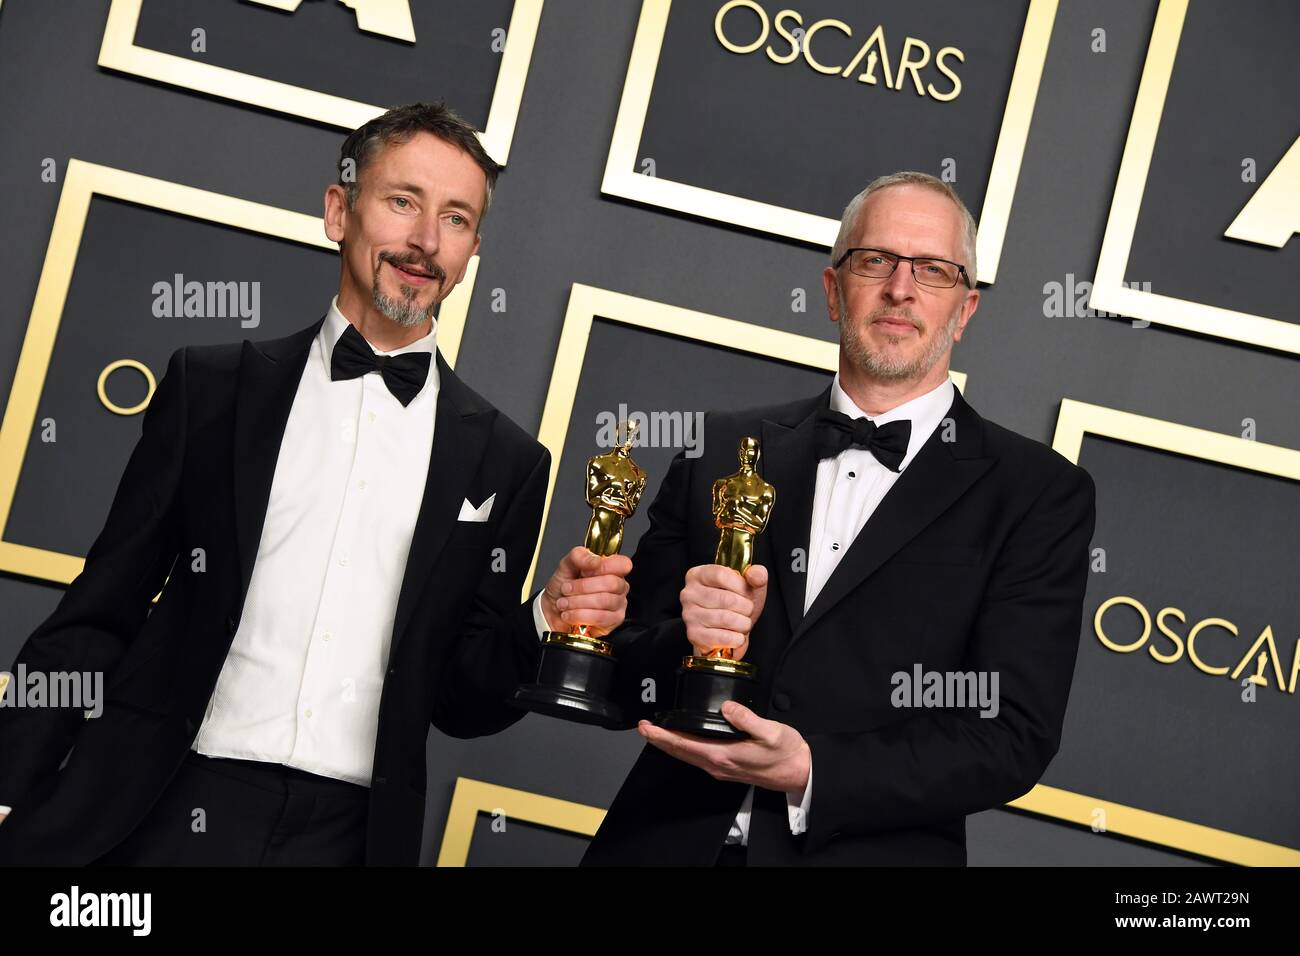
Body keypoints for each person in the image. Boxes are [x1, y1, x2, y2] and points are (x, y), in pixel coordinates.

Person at [0, 102, 630, 866]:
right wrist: (13, 781)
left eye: (456, 219)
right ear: (339, 210)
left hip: (350, 839)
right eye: (403, 202)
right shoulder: (214, 390)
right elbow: (100, 610)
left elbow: (460, 701)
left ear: (471, 251)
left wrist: (543, 620)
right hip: (161, 802)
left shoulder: (506, 461)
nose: (426, 242)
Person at [583, 172, 1096, 866]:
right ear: (832, 291)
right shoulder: (719, 453)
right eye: (875, 260)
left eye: (933, 270)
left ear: (965, 309)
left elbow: (1011, 735)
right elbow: (616, 674)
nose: (901, 289)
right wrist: (688, 636)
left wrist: (814, 772)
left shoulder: (1038, 494)